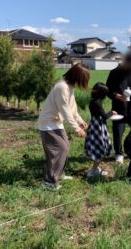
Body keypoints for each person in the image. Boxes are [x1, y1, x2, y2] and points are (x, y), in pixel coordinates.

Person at [37, 63, 90, 191]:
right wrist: (76, 128)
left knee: (64, 147)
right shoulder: (62, 87)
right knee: (60, 149)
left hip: (56, 123)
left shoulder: (69, 87)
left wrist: (80, 121)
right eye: (84, 79)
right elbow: (65, 110)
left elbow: (72, 109)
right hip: (48, 124)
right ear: (77, 77)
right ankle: (49, 182)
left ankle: (58, 174)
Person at [106, 51, 131, 164]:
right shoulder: (114, 73)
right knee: (118, 132)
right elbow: (108, 91)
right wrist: (118, 96)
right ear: (125, 61)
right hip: (118, 109)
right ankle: (119, 153)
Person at [84, 82, 117, 178]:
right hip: (98, 127)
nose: (106, 96)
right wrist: (112, 113)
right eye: (105, 94)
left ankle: (95, 169)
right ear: (102, 93)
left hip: (94, 125)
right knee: (100, 147)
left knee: (98, 146)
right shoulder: (97, 103)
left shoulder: (93, 101)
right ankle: (93, 170)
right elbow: (104, 116)